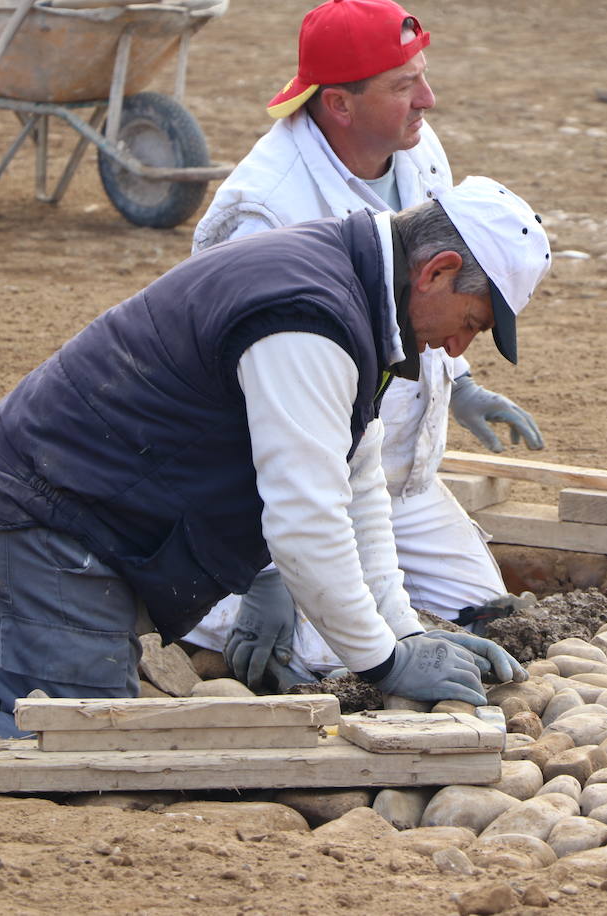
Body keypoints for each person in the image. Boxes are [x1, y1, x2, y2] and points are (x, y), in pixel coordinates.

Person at [0, 176, 550, 744]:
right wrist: (383, 659)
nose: (459, 346)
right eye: (473, 321)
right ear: (438, 270)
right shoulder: (314, 316)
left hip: (37, 511)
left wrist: (405, 631)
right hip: (54, 532)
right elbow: (307, 521)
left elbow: (356, 480)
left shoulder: (346, 287)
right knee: (71, 743)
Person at [188, 0, 544, 689]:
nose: (428, 99)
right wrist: (265, 567)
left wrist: (460, 377)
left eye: (423, 75)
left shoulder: (417, 148)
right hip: (275, 486)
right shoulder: (268, 209)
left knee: (491, 618)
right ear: (342, 105)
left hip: (391, 479)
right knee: (327, 659)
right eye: (404, 85)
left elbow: (439, 270)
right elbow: (243, 403)